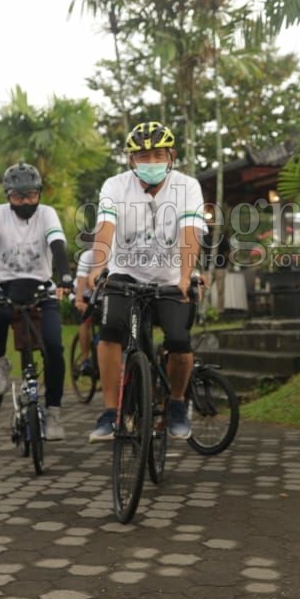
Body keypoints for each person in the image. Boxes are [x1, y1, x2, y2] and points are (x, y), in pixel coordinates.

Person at [85, 122, 206, 443]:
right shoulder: (114, 185)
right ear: (130, 160)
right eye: (141, 156)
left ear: (171, 156)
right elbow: (106, 225)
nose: (149, 161)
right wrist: (99, 266)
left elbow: (190, 232)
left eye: (157, 154)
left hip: (171, 278)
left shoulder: (187, 186)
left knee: (179, 342)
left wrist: (184, 277)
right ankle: (111, 411)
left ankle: (177, 402)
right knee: (110, 330)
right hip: (126, 273)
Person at [0, 164, 73, 441]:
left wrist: (65, 277)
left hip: (40, 288)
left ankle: (53, 413)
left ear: (39, 193)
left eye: (30, 196)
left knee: (53, 347)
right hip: (3, 287)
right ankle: (0, 361)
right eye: (18, 197)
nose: (25, 202)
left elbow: (57, 246)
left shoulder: (47, 214)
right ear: (8, 196)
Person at [72, 232, 99, 373]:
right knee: (86, 320)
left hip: (101, 296)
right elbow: (82, 279)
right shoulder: (87, 257)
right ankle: (86, 359)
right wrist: (79, 300)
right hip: (84, 295)